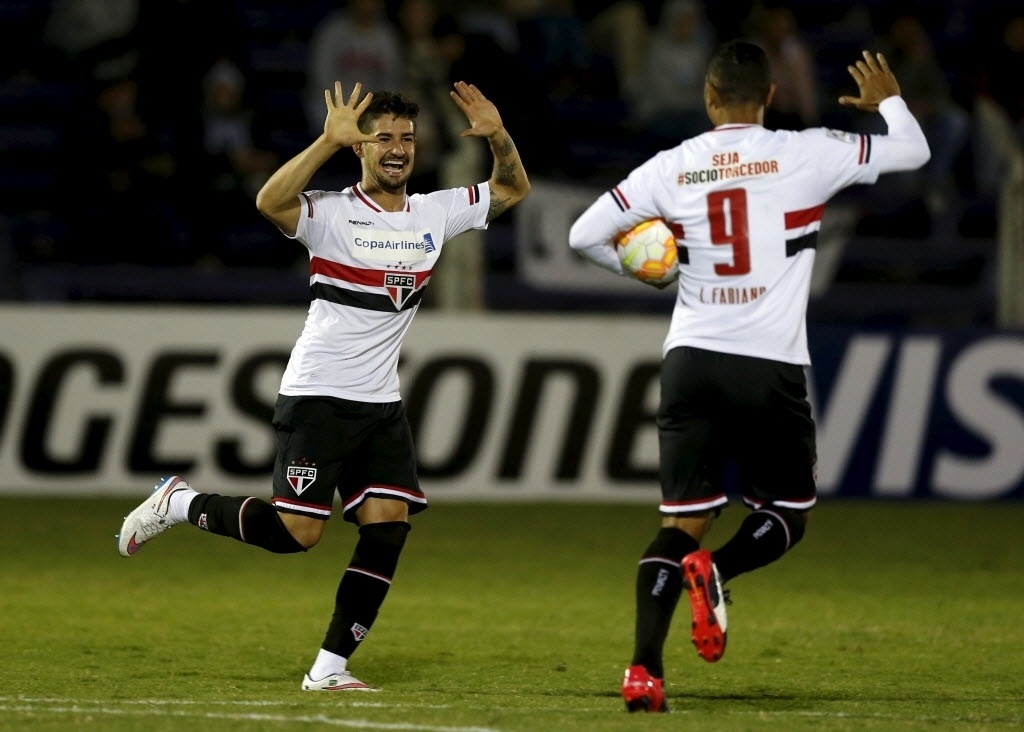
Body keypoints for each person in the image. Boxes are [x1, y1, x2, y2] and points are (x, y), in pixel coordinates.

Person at [116, 78, 530, 691]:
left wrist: (498, 136)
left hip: (381, 404)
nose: (396, 147)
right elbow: (268, 202)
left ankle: (329, 670)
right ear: (360, 148)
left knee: (389, 525)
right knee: (296, 534)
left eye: (407, 138)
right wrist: (323, 142)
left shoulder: (435, 213)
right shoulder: (332, 214)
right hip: (319, 397)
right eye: (382, 137)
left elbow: (513, 188)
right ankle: (180, 503)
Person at [568, 40, 929, 713]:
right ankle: (721, 572)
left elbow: (581, 236)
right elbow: (913, 152)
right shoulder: (806, 150)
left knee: (680, 526)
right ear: (769, 97)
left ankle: (644, 671)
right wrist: (889, 104)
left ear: (708, 98)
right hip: (770, 362)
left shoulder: (672, 166)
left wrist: (653, 271)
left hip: (692, 359)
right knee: (788, 511)